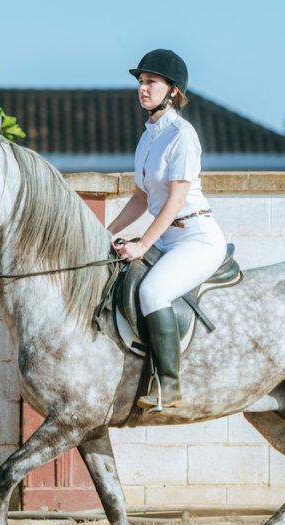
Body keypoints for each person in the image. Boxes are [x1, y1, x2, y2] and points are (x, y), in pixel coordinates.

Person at [106, 49, 226, 410]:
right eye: (140, 82)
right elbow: (141, 198)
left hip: (197, 239)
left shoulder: (181, 135)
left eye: (151, 82)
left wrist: (142, 243)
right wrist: (103, 230)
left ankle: (170, 385)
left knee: (154, 291)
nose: (143, 89)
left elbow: (174, 200)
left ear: (172, 90)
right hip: (168, 241)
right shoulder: (148, 136)